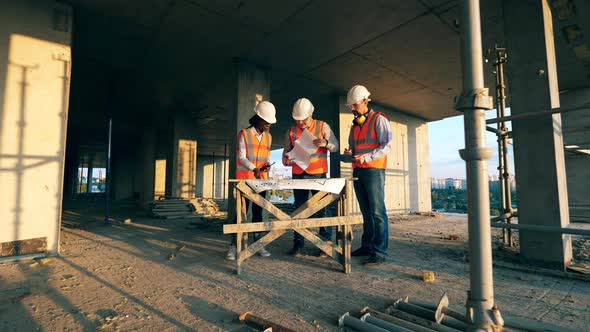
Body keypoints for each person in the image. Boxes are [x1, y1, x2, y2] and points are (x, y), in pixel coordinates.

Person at [282, 98, 339, 256]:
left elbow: (336, 146)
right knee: (299, 210)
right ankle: (298, 243)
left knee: (322, 208)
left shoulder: (322, 126)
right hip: (298, 174)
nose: (300, 123)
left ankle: (325, 244)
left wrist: (326, 143)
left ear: (311, 114)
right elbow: (285, 153)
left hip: (318, 173)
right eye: (297, 120)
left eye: (303, 119)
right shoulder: (291, 131)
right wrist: (286, 160)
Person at [343, 85, 392, 266]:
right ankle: (367, 246)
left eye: (355, 105)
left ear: (365, 101)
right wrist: (349, 153)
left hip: (374, 170)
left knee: (378, 212)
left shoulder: (379, 119)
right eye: (351, 106)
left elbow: (387, 145)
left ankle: (379, 251)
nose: (353, 109)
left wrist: (367, 157)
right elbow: (354, 148)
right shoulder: (355, 126)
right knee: (366, 212)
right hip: (358, 170)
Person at [226, 101, 276, 261]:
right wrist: (254, 168)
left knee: (257, 213)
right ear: (258, 119)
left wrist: (266, 167)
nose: (268, 124)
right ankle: (234, 246)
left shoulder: (268, 137)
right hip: (245, 179)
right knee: (240, 214)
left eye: (270, 122)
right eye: (266, 121)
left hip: (261, 181)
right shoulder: (244, 134)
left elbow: (266, 157)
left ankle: (258, 244)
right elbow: (241, 156)